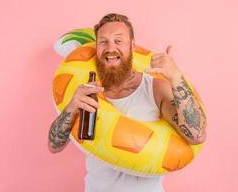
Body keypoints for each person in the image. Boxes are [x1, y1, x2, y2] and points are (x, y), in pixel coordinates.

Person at [48, 13, 207, 192]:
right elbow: (54, 146)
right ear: (96, 47)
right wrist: (71, 108)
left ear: (132, 47)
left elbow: (197, 135)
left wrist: (176, 77)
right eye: (103, 42)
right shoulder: (87, 89)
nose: (110, 48)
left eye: (118, 41)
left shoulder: (154, 89)